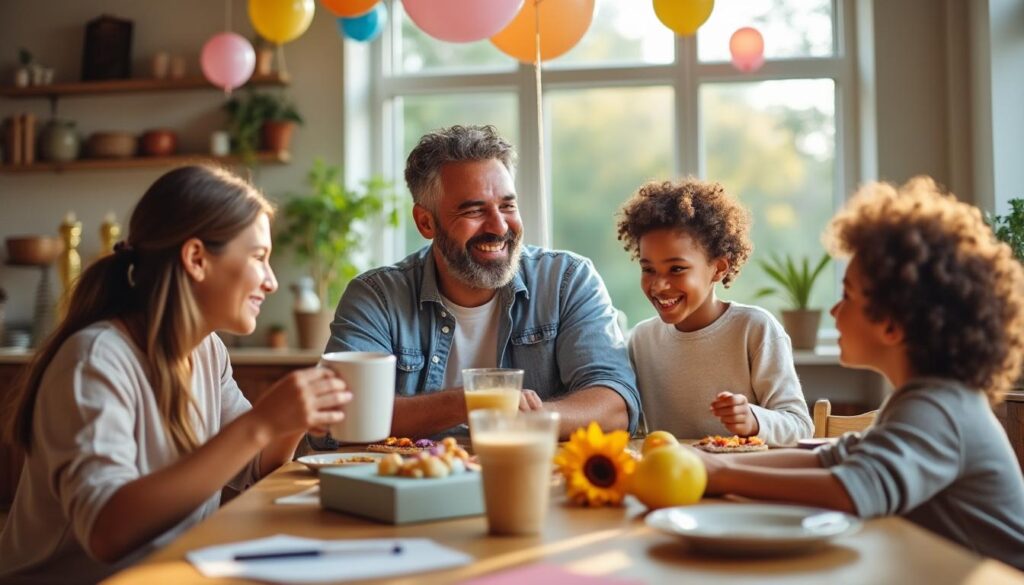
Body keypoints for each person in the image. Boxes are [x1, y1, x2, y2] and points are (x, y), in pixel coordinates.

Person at [0, 166, 351, 583]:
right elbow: (106, 531)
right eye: (259, 258)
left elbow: (256, 467)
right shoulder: (94, 361)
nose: (271, 281)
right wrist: (262, 423)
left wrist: (293, 419)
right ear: (197, 259)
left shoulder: (206, 351)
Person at [691, 177, 1024, 570]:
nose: (834, 312)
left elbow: (853, 489)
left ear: (891, 325)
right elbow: (830, 460)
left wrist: (720, 477)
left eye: (847, 295)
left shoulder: (941, 408)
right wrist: (706, 464)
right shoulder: (923, 399)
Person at [320, 125, 639, 442]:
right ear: (425, 222)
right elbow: (340, 416)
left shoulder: (566, 281)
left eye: (507, 206)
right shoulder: (376, 297)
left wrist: (531, 420)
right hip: (412, 485)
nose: (499, 226)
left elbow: (615, 405)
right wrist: (474, 399)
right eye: (474, 210)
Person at [617, 178, 813, 445]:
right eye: (648, 269)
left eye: (676, 269)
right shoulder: (641, 340)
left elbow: (800, 426)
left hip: (742, 480)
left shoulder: (755, 329)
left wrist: (754, 420)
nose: (659, 285)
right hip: (674, 481)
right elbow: (634, 431)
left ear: (719, 269)